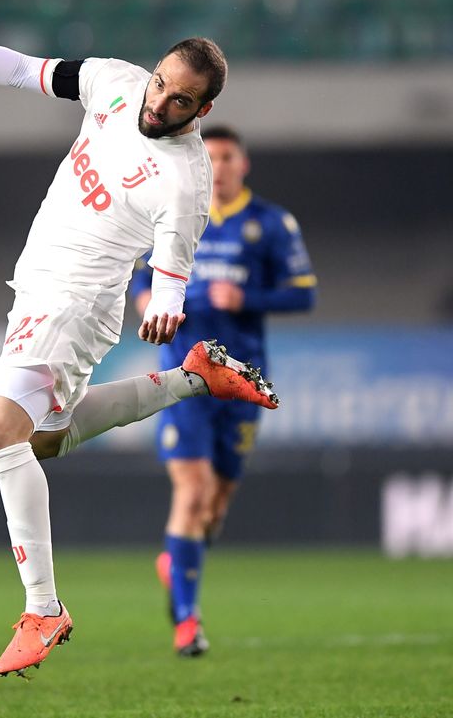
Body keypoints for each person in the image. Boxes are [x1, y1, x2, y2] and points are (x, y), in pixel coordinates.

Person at [0, 30, 279, 678]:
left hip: (75, 301)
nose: (159, 103)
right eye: (161, 83)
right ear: (151, 72)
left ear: (200, 112)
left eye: (181, 100)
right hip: (40, 285)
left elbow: (173, 273)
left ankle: (43, 606)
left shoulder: (184, 181)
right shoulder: (114, 81)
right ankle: (191, 377)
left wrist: (166, 303)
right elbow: (22, 68)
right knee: (40, 442)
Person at [131, 125, 316, 657]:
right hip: (184, 380)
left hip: (244, 384)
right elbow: (142, 291)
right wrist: (155, 310)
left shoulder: (272, 224)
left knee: (213, 508)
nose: (219, 165)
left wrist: (247, 297)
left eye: (228, 156)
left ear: (243, 163)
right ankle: (187, 622)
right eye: (209, 157)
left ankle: (176, 560)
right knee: (190, 495)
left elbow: (305, 295)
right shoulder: (170, 214)